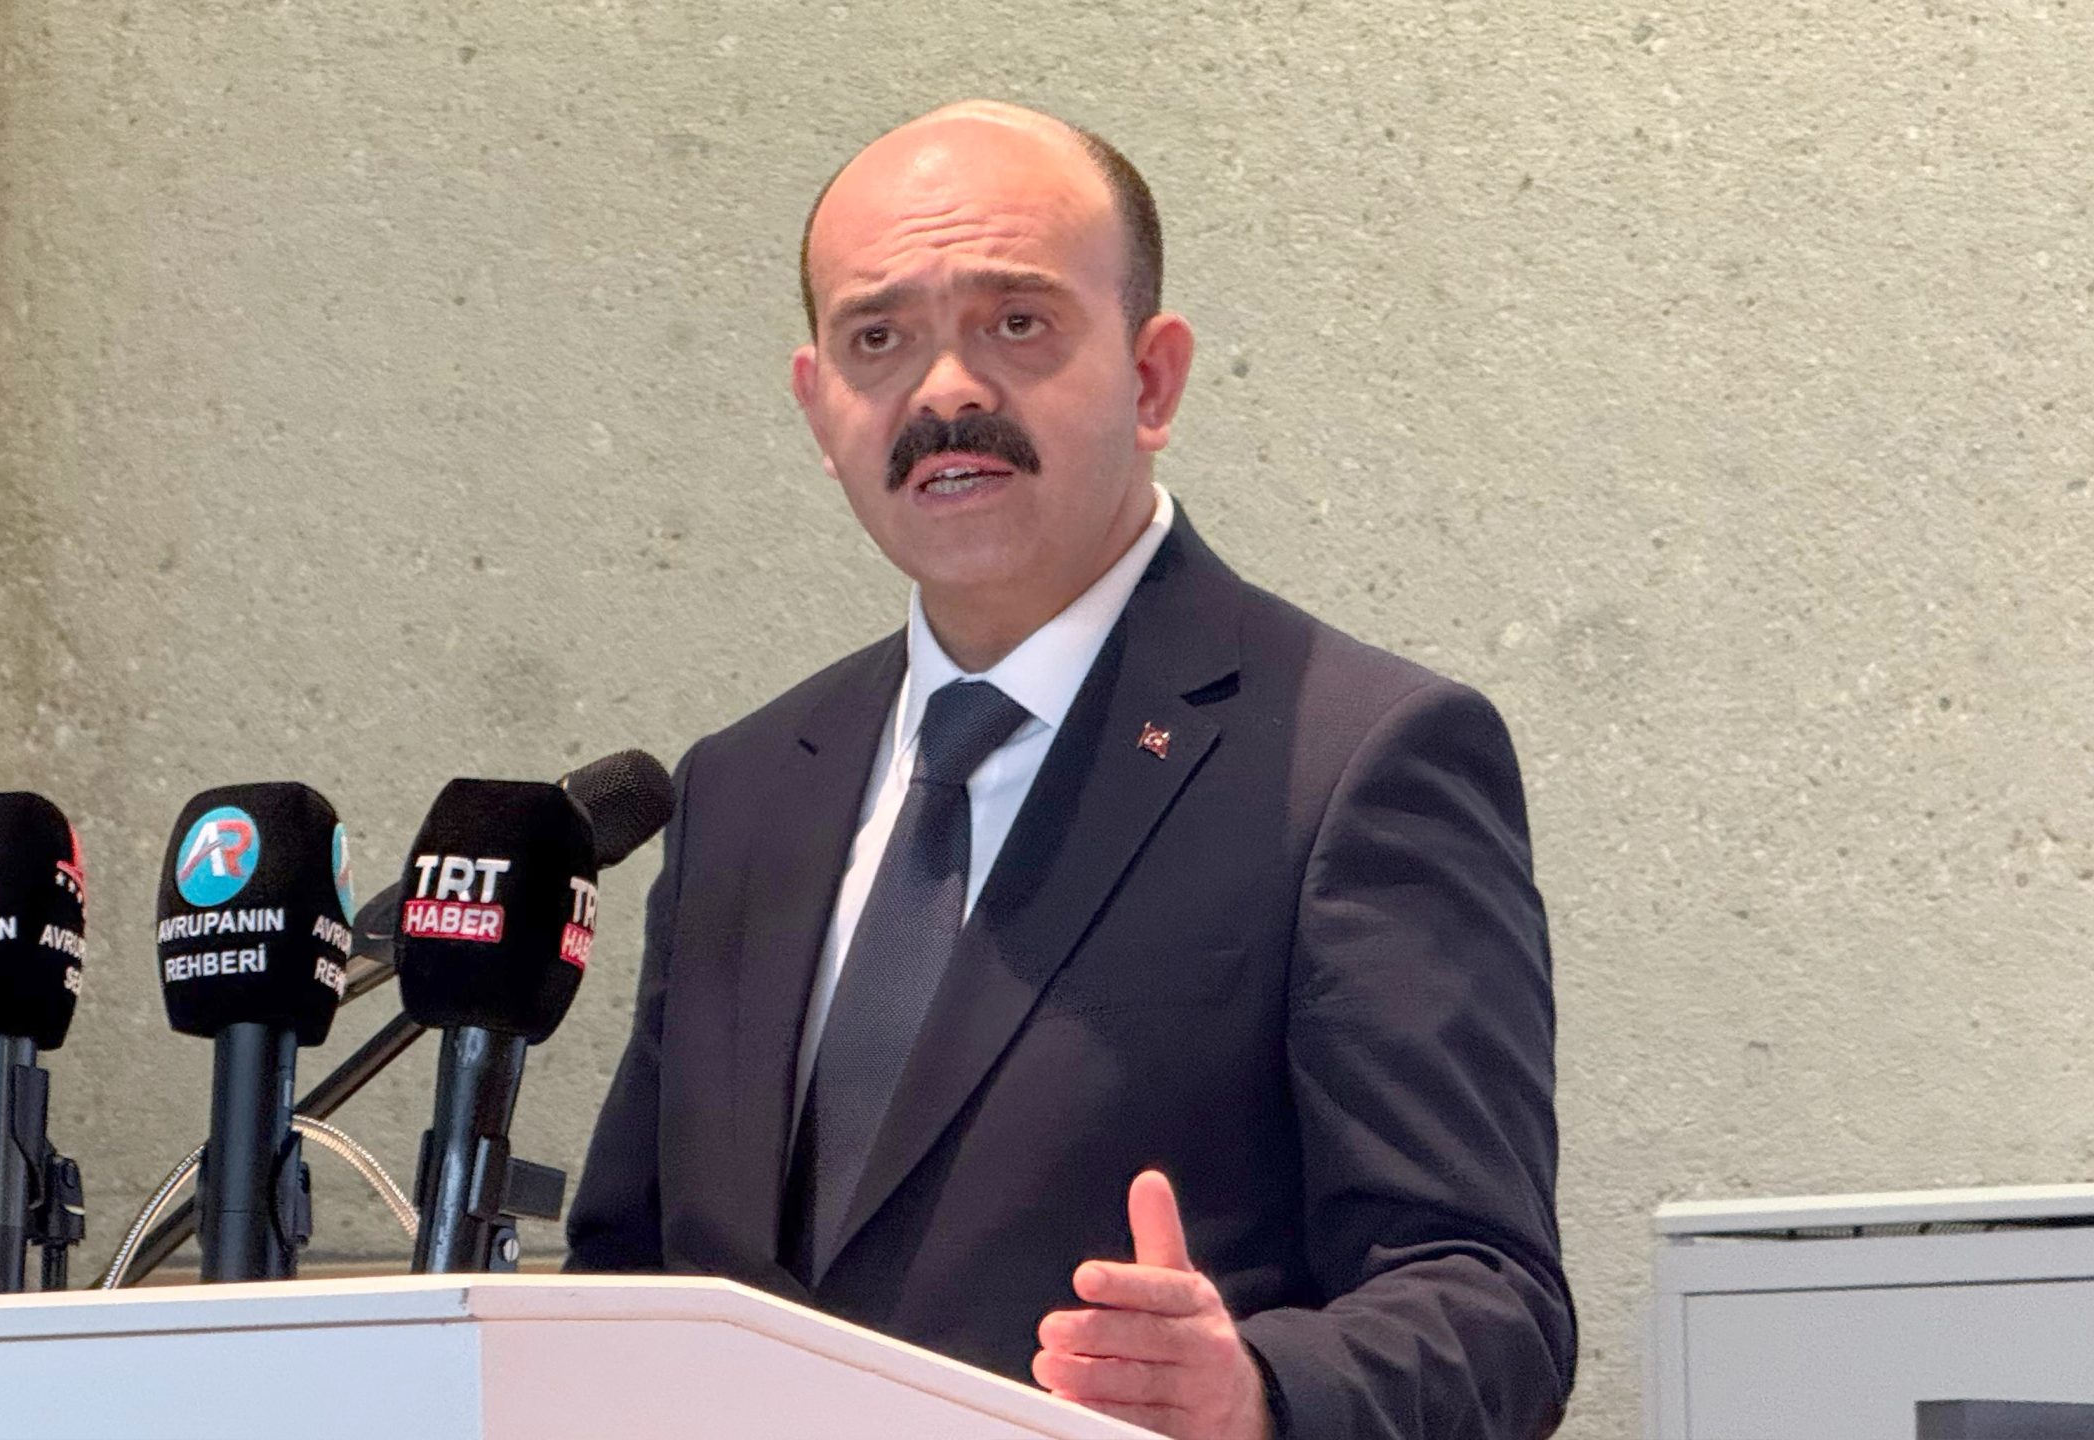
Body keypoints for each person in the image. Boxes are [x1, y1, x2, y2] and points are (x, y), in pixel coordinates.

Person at [566, 99, 1573, 1440]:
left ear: (1153, 380)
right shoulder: (744, 788)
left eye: (1017, 323)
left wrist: (1257, 1392)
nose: (946, 392)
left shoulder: (1354, 759)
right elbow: (632, 1276)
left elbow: (1491, 1302)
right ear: (818, 405)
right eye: (879, 339)